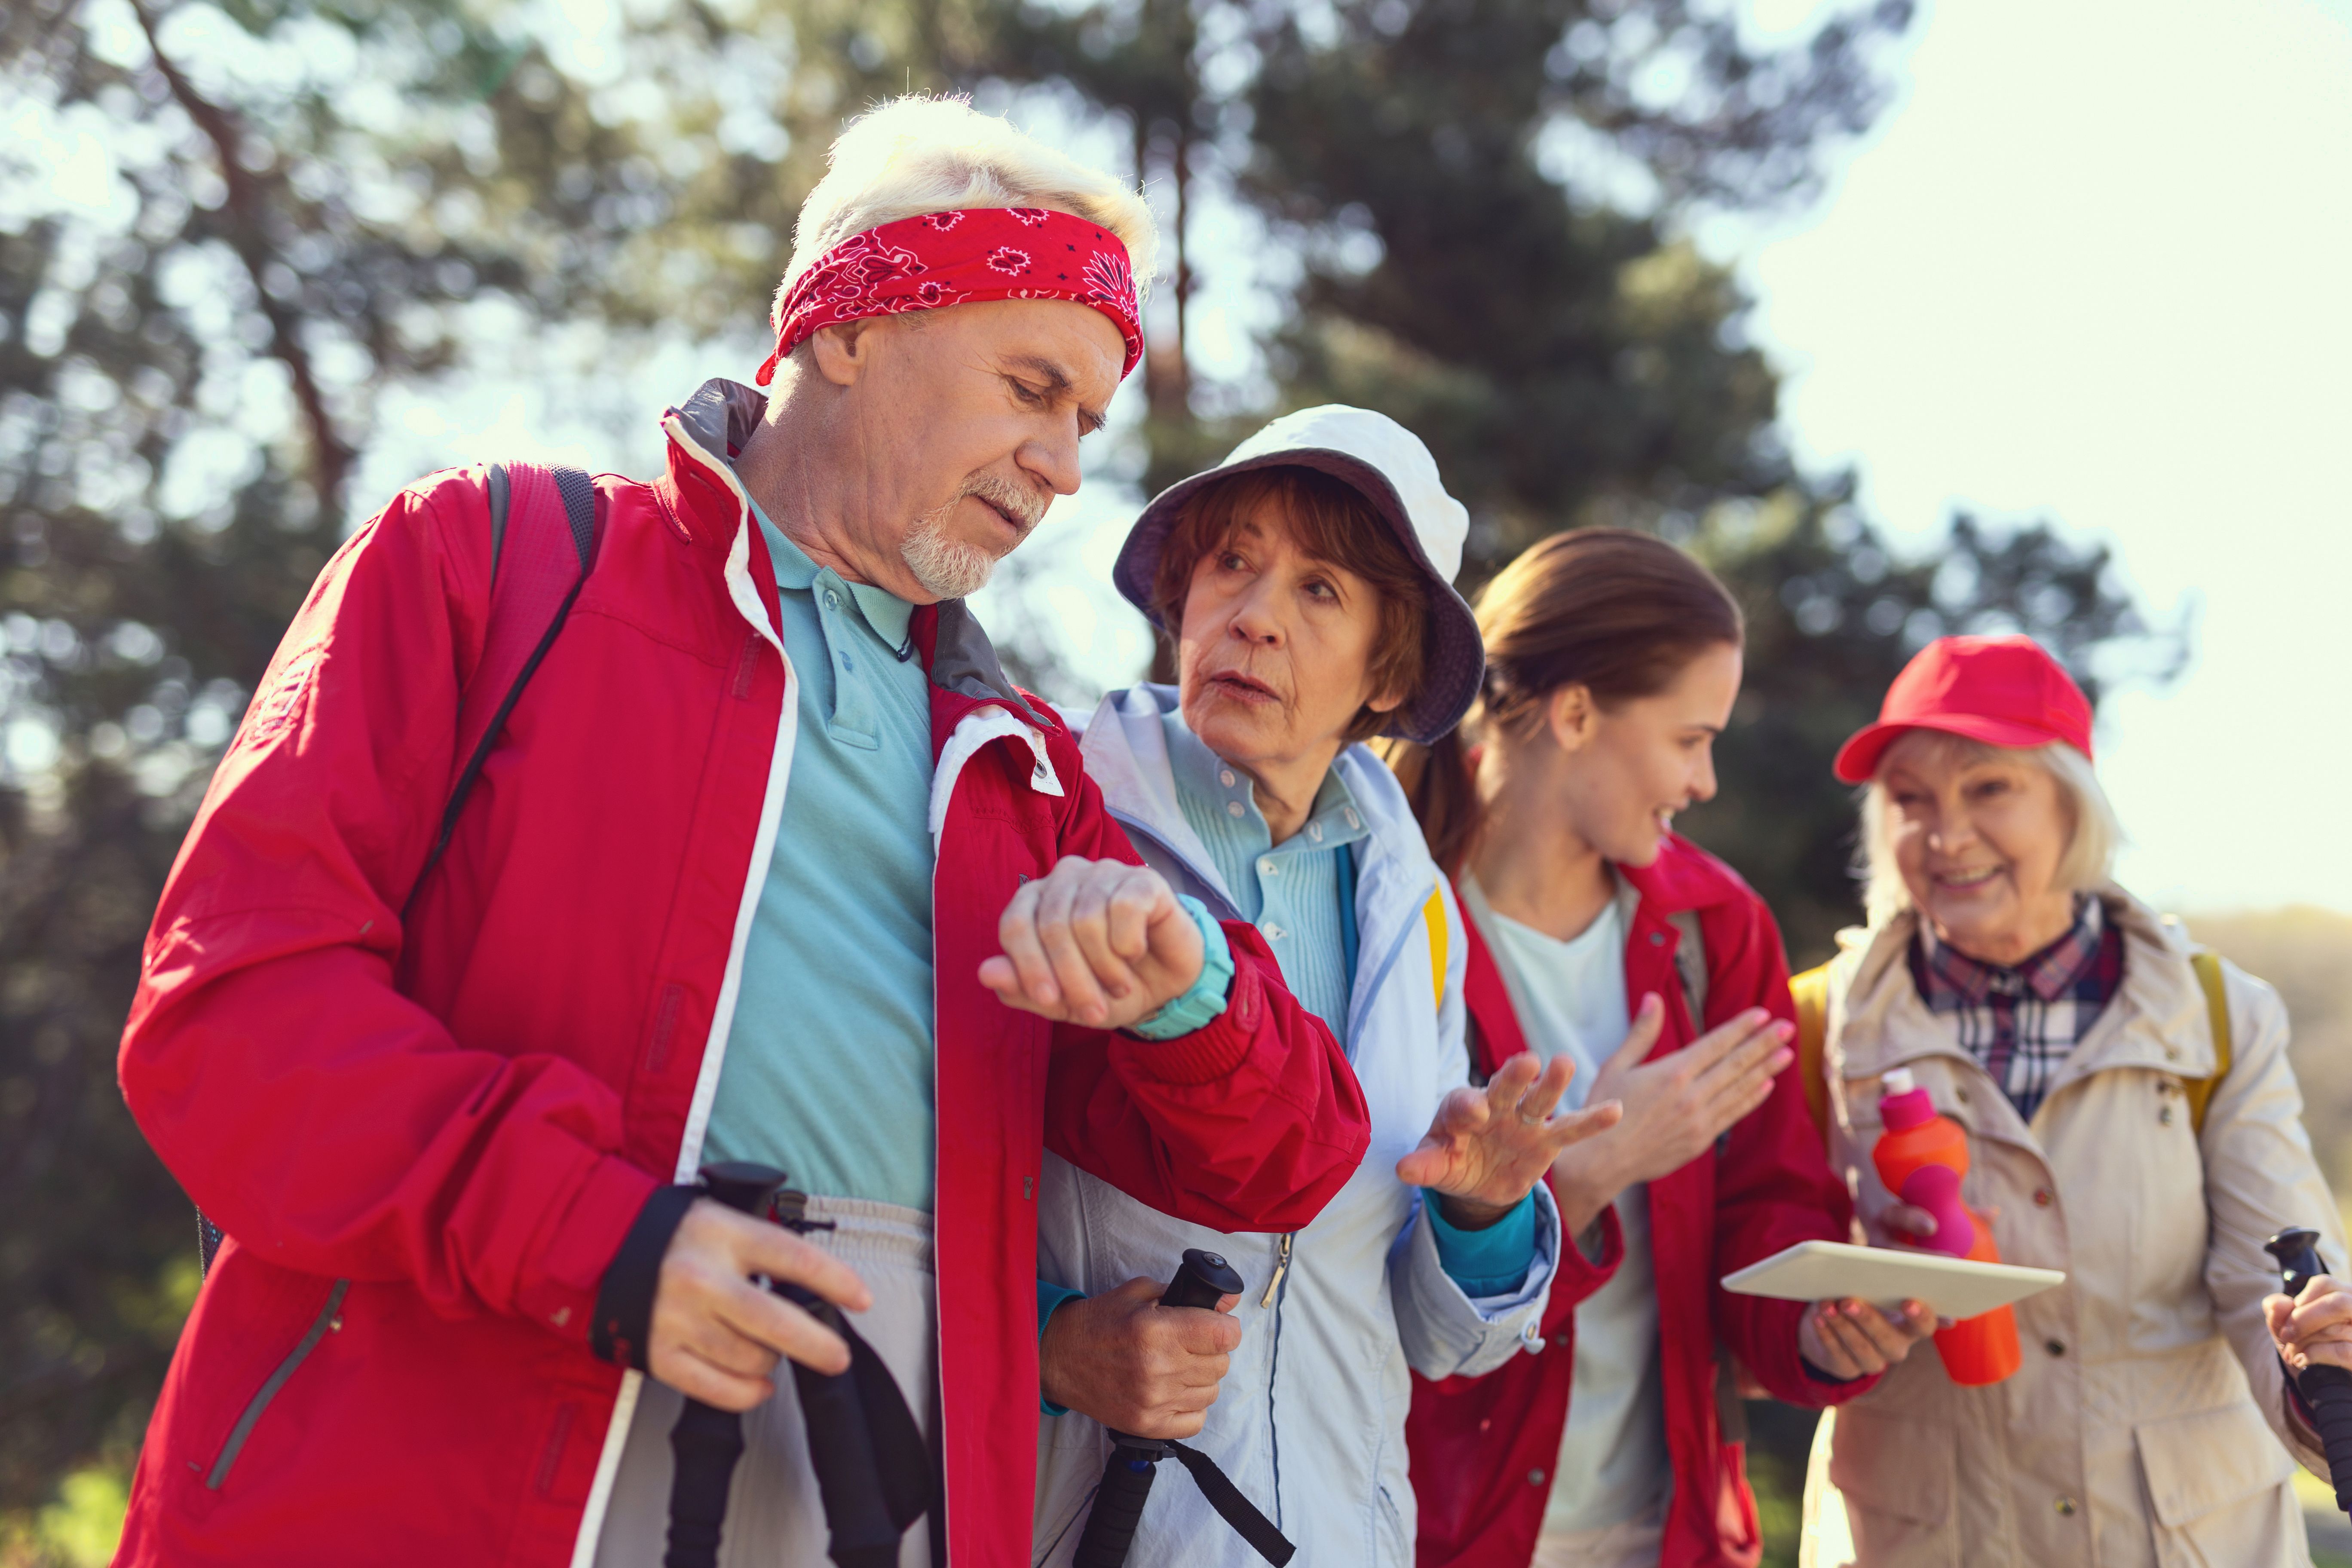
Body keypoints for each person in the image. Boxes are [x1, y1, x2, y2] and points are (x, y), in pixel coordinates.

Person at [110, 98, 1372, 1568]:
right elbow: (230, 1014)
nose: (1065, 465)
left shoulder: (1020, 771)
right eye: (1032, 387)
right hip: (437, 1460)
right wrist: (600, 1236)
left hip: (869, 1500)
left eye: (1085, 420)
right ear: (853, 327)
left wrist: (1189, 994)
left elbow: (1289, 1162)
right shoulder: (487, 560)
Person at [1030, 408, 1629, 1568]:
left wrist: (1484, 1216)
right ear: (1182, 599)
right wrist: (1052, 1345)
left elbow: (1431, 1338)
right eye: (1232, 564)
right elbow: (904, 1191)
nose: (1254, 616)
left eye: (1319, 591)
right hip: (1085, 1534)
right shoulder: (1052, 815)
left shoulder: (1420, 909)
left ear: (1387, 670)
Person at [1387, 530, 1936, 1568]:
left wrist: (1814, 1331)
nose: (1707, 781)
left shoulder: (1717, 929)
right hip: (1425, 1533)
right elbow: (1345, 1264)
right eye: (1690, 739)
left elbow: (1771, 1204)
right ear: (1575, 714)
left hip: (1666, 1535)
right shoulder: (1386, 907)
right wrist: (1591, 1170)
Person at [1794, 633, 2349, 1567]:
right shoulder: (1820, 1023)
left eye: (1988, 789)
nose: (1945, 836)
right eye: (1911, 800)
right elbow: (1760, 1295)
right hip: (1918, 1538)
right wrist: (1819, 1337)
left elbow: (2271, 1274)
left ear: (2071, 801)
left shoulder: (2217, 1014)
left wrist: (2315, 1369)